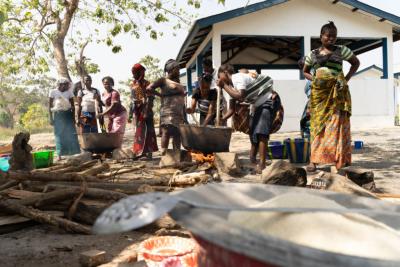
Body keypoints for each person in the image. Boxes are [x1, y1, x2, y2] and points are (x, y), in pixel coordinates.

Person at [303, 21, 360, 172]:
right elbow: (305, 71)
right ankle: (313, 161)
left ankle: (337, 160)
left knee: (335, 127)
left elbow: (355, 63)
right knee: (316, 127)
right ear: (321, 36)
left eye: (334, 36)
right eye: (328, 36)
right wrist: (315, 79)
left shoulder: (342, 50)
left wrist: (345, 79)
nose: (331, 39)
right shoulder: (312, 54)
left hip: (337, 96)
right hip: (319, 96)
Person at [217, 64, 282, 173]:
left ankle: (262, 165)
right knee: (253, 132)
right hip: (258, 105)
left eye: (220, 76)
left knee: (261, 133)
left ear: (225, 73)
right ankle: (253, 160)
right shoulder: (231, 87)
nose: (219, 79)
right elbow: (231, 110)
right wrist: (222, 119)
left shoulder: (237, 77)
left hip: (268, 101)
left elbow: (241, 96)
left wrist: (223, 86)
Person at [147, 59, 186, 155]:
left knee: (178, 134)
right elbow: (149, 88)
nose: (179, 71)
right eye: (177, 69)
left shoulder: (177, 81)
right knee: (166, 132)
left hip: (179, 112)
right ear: (171, 69)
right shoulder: (163, 80)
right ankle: (164, 154)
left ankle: (176, 155)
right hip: (168, 111)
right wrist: (161, 95)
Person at [130, 63, 158, 158]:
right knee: (139, 131)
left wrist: (146, 110)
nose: (133, 75)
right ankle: (138, 151)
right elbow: (133, 98)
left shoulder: (147, 83)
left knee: (149, 130)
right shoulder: (133, 83)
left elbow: (151, 97)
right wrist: (131, 113)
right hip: (137, 111)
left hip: (146, 110)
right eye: (133, 73)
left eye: (135, 73)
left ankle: (148, 152)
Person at [49, 78, 81, 160]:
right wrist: (51, 118)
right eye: (66, 84)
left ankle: (73, 153)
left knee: (70, 133)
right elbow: (50, 106)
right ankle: (60, 154)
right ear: (61, 84)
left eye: (68, 84)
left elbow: (73, 106)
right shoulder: (53, 92)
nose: (68, 86)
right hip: (58, 115)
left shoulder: (69, 92)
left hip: (68, 115)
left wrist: (73, 118)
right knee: (59, 134)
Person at [298, 58, 312, 139]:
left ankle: (310, 146)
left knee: (307, 126)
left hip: (314, 105)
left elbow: (312, 95)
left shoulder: (312, 78)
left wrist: (309, 108)